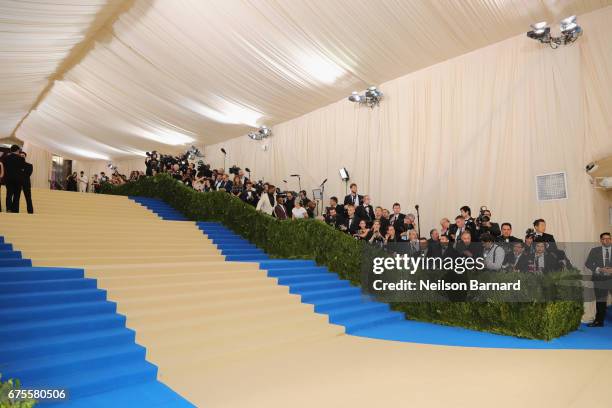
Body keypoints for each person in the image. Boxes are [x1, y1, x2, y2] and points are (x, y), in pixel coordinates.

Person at [585, 232, 612, 327]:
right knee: (601, 301)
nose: (607, 240)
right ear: (601, 240)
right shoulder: (594, 250)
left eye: (609, 238)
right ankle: (599, 321)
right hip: (599, 279)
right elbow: (588, 263)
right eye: (604, 238)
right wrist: (599, 269)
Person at [4, 145, 26, 212]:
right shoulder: (21, 158)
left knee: (9, 194)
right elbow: (23, 169)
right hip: (18, 179)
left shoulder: (6, 158)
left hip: (8, 179)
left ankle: (8, 209)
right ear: (17, 150)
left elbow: (5, 168)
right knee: (17, 195)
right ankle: (15, 210)